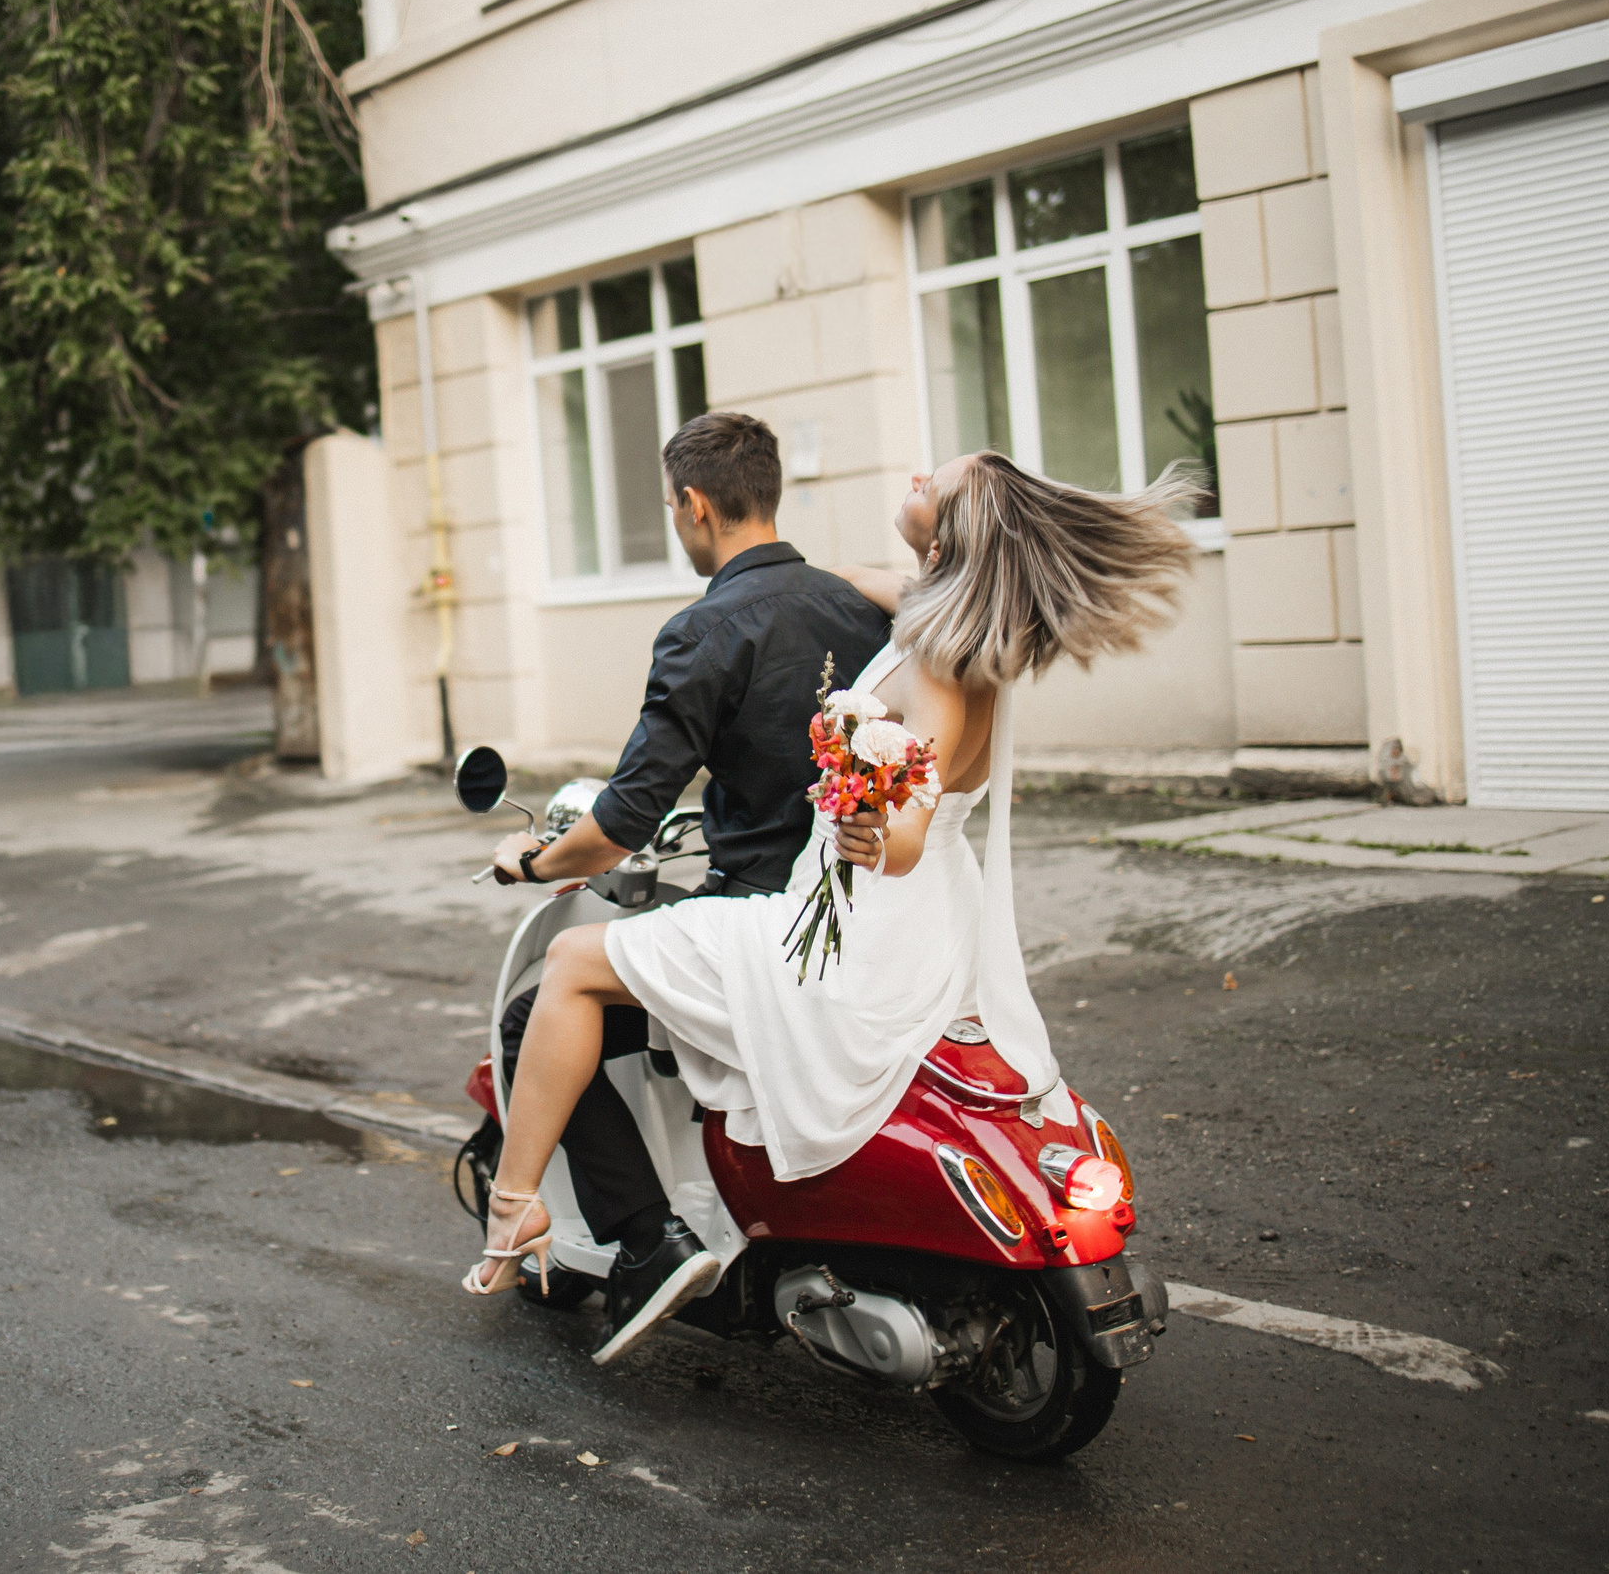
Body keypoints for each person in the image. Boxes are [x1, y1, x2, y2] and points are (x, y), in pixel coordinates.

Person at [469, 447, 1200, 1366]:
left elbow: (906, 823)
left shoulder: (935, 657)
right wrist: (843, 582)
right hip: (923, 920)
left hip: (851, 928)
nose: (914, 478)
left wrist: (866, 822)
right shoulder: (933, 614)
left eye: (931, 485)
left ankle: (515, 1208)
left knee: (573, 967)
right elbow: (877, 585)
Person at [475, 411, 891, 1364]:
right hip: (864, 908)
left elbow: (623, 820)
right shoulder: (860, 608)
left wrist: (530, 862)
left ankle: (643, 1242)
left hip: (757, 920)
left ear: (695, 504)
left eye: (672, 506)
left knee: (534, 1011)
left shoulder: (704, 629)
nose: (676, 520)